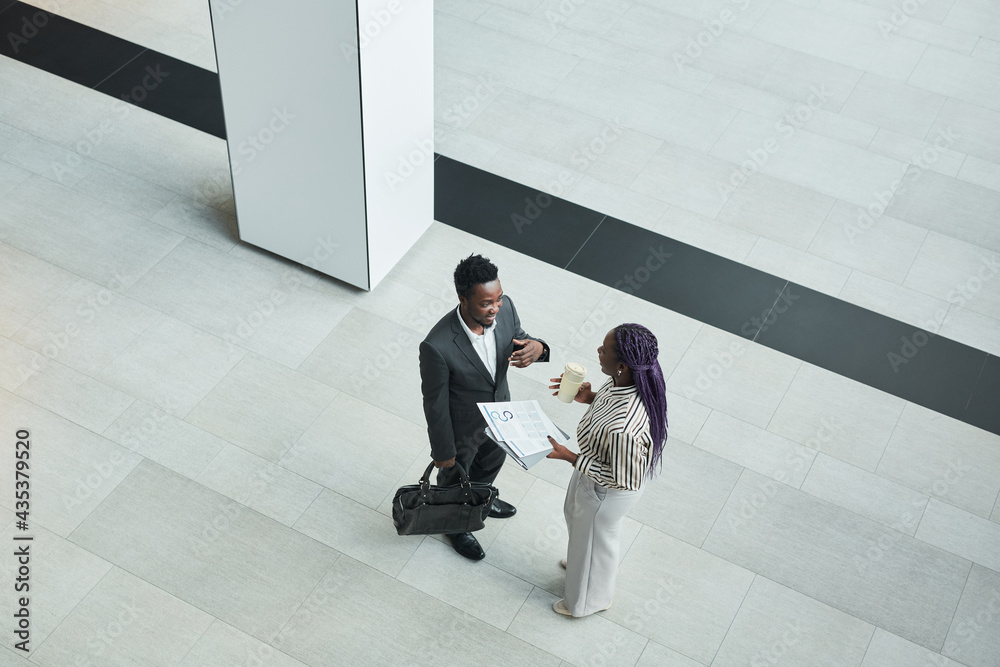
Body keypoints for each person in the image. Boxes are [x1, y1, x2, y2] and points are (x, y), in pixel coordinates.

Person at [419, 254, 549, 560]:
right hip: (463, 430)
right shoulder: (437, 346)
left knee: (489, 467)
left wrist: (539, 348)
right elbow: (434, 404)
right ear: (463, 298)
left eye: (499, 299)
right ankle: (455, 525)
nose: (495, 308)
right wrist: (443, 452)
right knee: (454, 479)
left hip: (501, 415)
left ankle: (480, 499)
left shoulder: (505, 310)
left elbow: (519, 338)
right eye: (486, 303)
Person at [546, 323, 668, 616]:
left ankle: (585, 603)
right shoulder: (624, 380)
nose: (598, 352)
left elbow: (622, 479)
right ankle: (580, 562)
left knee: (595, 545)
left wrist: (569, 457)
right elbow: (610, 403)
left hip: (606, 487)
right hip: (593, 467)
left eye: (604, 350)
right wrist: (589, 397)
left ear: (622, 365)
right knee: (579, 527)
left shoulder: (625, 428)